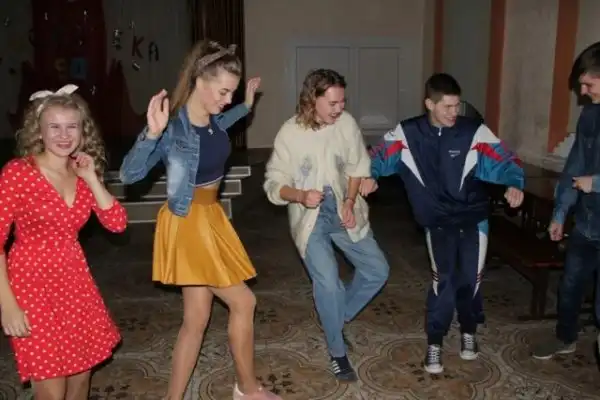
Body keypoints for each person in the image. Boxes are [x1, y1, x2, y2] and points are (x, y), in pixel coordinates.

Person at [119, 40, 280, 400]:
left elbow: (225, 121)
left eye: (231, 92)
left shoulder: (214, 120)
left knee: (195, 320)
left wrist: (246, 104)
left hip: (210, 217)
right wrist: (151, 134)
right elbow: (129, 175)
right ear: (199, 81)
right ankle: (246, 389)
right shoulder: (172, 129)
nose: (227, 99)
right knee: (244, 303)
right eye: (223, 91)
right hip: (188, 222)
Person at [361, 73, 524, 374]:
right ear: (429, 104)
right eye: (447, 106)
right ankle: (435, 342)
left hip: (473, 219)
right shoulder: (408, 133)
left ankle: (469, 332)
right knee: (443, 281)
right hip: (437, 221)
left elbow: (506, 159)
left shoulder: (473, 131)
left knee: (471, 280)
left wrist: (514, 183)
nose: (454, 113)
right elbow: (377, 156)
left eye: (457, 106)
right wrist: (370, 175)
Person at [0, 84, 127, 398]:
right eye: (54, 127)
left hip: (74, 284)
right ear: (39, 131)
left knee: (81, 381)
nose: (63, 135)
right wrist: (8, 305)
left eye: (72, 126)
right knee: (51, 389)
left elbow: (117, 223)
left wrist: (92, 178)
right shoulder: (18, 173)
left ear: (83, 132)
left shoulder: (82, 174)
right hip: (31, 286)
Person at [263, 68, 390, 382]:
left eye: (342, 101)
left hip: (344, 211)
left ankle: (334, 316)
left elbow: (358, 166)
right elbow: (273, 184)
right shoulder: (289, 133)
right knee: (329, 284)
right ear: (312, 99)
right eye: (332, 103)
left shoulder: (346, 124)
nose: (339, 108)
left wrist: (349, 200)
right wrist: (300, 195)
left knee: (377, 270)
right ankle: (337, 351)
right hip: (310, 219)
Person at [532, 41, 600, 360]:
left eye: (588, 84)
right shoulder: (589, 116)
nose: (583, 93)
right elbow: (574, 167)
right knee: (570, 285)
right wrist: (560, 213)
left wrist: (596, 183)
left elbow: (589, 177)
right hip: (586, 224)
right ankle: (565, 338)